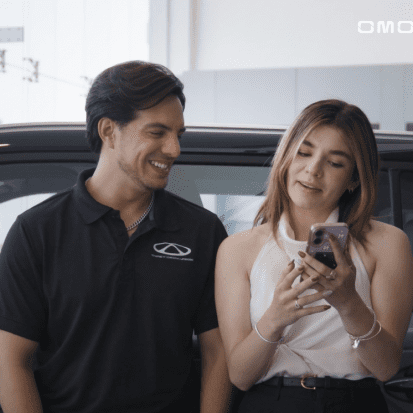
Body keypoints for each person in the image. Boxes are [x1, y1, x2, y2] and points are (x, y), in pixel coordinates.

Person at [0, 61, 231, 412]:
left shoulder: (202, 231)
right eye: (157, 132)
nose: (174, 149)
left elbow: (218, 353)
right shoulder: (36, 232)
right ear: (109, 131)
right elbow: (11, 360)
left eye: (178, 134)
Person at [215, 99, 413, 413]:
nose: (313, 170)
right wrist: (274, 319)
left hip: (354, 402)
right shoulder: (238, 249)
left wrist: (348, 302)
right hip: (272, 402)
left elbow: (385, 367)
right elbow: (240, 376)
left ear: (354, 178)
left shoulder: (387, 243)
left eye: (334, 162)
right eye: (304, 152)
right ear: (285, 156)